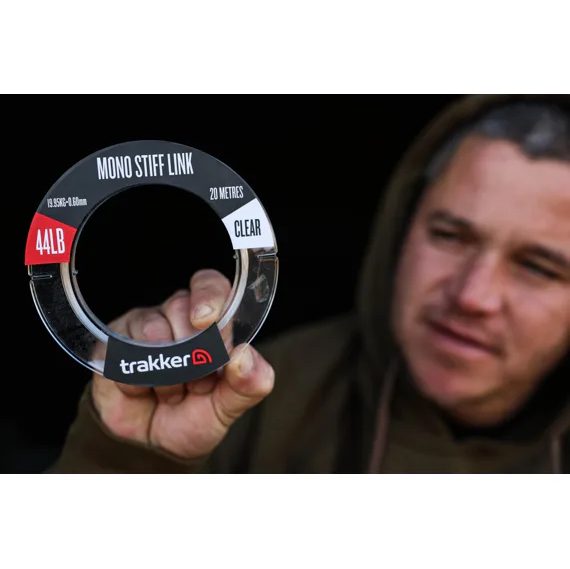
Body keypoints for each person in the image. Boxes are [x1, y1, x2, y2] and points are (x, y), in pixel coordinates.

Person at [51, 94, 570, 474]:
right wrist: (126, 457)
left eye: (539, 267)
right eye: (450, 236)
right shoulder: (241, 397)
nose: (473, 296)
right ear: (401, 227)